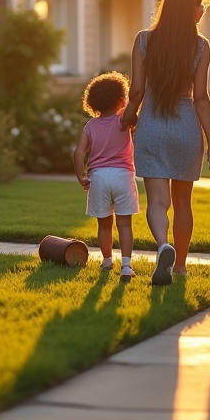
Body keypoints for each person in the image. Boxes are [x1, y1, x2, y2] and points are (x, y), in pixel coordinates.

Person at [122, 0, 210, 286]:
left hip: (151, 125)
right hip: (186, 128)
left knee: (157, 202)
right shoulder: (201, 46)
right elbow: (201, 97)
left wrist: (127, 116)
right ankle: (179, 265)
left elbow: (136, 91)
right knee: (183, 203)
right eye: (200, 4)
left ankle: (162, 246)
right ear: (189, 9)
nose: (202, 9)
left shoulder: (143, 41)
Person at [73, 71, 140, 280]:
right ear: (121, 100)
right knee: (124, 224)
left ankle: (107, 261)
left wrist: (81, 176)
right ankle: (126, 266)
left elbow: (78, 152)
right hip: (122, 175)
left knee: (104, 224)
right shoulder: (123, 120)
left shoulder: (91, 125)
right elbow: (135, 105)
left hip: (98, 177)